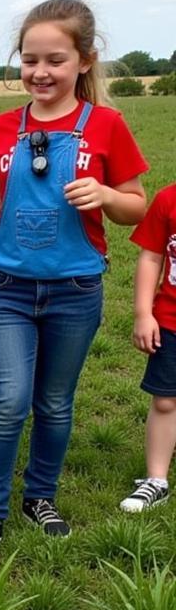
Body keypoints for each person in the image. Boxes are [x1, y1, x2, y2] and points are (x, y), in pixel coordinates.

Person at [0, 0, 148, 564]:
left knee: (54, 403)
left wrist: (105, 196)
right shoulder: (5, 127)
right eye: (30, 60)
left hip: (76, 291)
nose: (40, 72)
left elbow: (136, 207)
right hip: (7, 289)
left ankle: (41, 497)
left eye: (55, 59)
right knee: (8, 401)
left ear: (84, 60)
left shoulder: (105, 125)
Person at [121, 182, 176, 513]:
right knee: (166, 400)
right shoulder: (168, 199)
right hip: (170, 320)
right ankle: (156, 480)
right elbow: (151, 257)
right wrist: (143, 313)